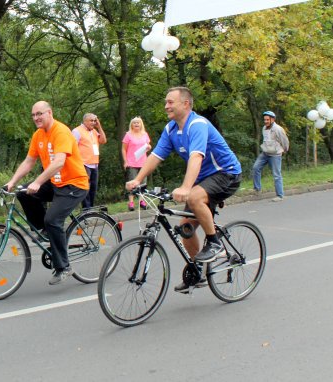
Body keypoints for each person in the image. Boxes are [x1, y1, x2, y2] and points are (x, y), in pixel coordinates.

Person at [126, 87, 242, 293]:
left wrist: (186, 187)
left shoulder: (197, 125)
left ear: (185, 104)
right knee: (186, 229)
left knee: (196, 197)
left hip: (226, 173)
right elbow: (155, 156)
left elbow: (196, 157)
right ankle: (197, 271)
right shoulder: (171, 129)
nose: (166, 106)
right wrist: (137, 179)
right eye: (166, 102)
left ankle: (214, 242)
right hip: (204, 179)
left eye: (171, 102)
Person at [5, 101, 89, 285]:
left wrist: (37, 181)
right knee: (24, 193)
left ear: (50, 113)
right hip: (56, 183)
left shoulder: (61, 132)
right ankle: (44, 229)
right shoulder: (38, 135)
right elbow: (28, 162)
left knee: (53, 220)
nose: (36, 118)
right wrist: (12, 182)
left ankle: (64, 266)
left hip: (74, 185)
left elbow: (59, 162)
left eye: (39, 114)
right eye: (33, 115)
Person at [252, 111, 289, 202]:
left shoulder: (278, 129)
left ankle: (280, 195)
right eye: (265, 119)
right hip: (265, 153)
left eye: (268, 120)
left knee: (276, 175)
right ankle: (257, 189)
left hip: (275, 155)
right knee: (255, 168)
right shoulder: (264, 128)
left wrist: (285, 149)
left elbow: (285, 140)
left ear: (273, 119)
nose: (266, 121)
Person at [72, 113, 107, 209]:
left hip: (94, 164)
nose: (93, 123)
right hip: (83, 164)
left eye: (94, 121)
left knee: (93, 188)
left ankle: (90, 209)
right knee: (85, 188)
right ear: (85, 121)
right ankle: (86, 209)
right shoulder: (77, 131)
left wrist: (99, 127)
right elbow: (72, 147)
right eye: (91, 121)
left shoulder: (94, 131)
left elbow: (103, 140)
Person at [121, 116, 152, 211]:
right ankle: (131, 202)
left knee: (143, 183)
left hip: (143, 162)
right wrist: (125, 161)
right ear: (132, 125)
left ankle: (141, 201)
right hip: (132, 162)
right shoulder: (128, 135)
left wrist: (149, 147)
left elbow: (148, 145)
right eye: (134, 123)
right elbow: (123, 149)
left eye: (138, 122)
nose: (136, 124)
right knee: (132, 183)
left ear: (141, 124)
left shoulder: (145, 134)